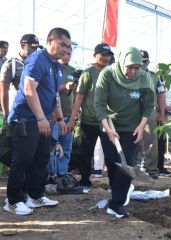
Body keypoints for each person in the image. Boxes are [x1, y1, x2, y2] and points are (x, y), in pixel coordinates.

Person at [3, 27, 71, 215]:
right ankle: (13, 200)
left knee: (41, 158)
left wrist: (59, 118)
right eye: (62, 44)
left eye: (68, 46)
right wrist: (41, 118)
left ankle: (35, 195)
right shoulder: (38, 59)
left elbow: (54, 94)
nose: (66, 50)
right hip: (26, 118)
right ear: (50, 40)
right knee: (22, 160)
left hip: (43, 120)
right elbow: (28, 90)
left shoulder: (56, 65)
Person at [94, 47, 154, 218]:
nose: (133, 72)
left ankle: (116, 203)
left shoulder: (144, 77)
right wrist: (107, 129)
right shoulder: (107, 75)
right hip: (109, 125)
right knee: (113, 164)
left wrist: (141, 126)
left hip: (131, 127)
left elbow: (149, 104)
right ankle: (118, 192)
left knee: (126, 163)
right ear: (121, 63)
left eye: (136, 68)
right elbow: (99, 103)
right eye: (129, 67)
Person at [67, 43, 112, 192]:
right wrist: (73, 119)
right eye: (102, 55)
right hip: (89, 119)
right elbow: (79, 98)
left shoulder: (112, 73)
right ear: (95, 55)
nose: (105, 58)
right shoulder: (88, 73)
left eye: (108, 55)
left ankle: (113, 182)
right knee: (86, 151)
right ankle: (85, 181)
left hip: (107, 121)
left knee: (110, 152)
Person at [48, 46, 77, 178]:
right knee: (52, 147)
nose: (67, 56)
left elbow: (77, 94)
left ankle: (62, 174)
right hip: (54, 116)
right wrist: (65, 87)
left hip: (68, 115)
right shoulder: (52, 68)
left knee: (66, 148)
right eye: (64, 53)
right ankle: (51, 176)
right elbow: (50, 90)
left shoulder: (73, 70)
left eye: (69, 54)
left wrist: (76, 113)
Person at [139, 50, 168, 178]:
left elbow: (161, 94)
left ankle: (151, 169)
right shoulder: (129, 74)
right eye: (140, 61)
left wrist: (162, 113)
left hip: (149, 112)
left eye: (144, 62)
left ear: (148, 62)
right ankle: (134, 166)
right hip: (131, 112)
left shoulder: (154, 77)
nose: (142, 64)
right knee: (132, 139)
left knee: (150, 140)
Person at [0, 34, 41, 122]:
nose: (35, 51)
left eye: (36, 48)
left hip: (35, 114)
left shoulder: (38, 64)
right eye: (32, 47)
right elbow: (3, 91)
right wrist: (6, 114)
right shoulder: (11, 64)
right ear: (23, 46)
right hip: (17, 115)